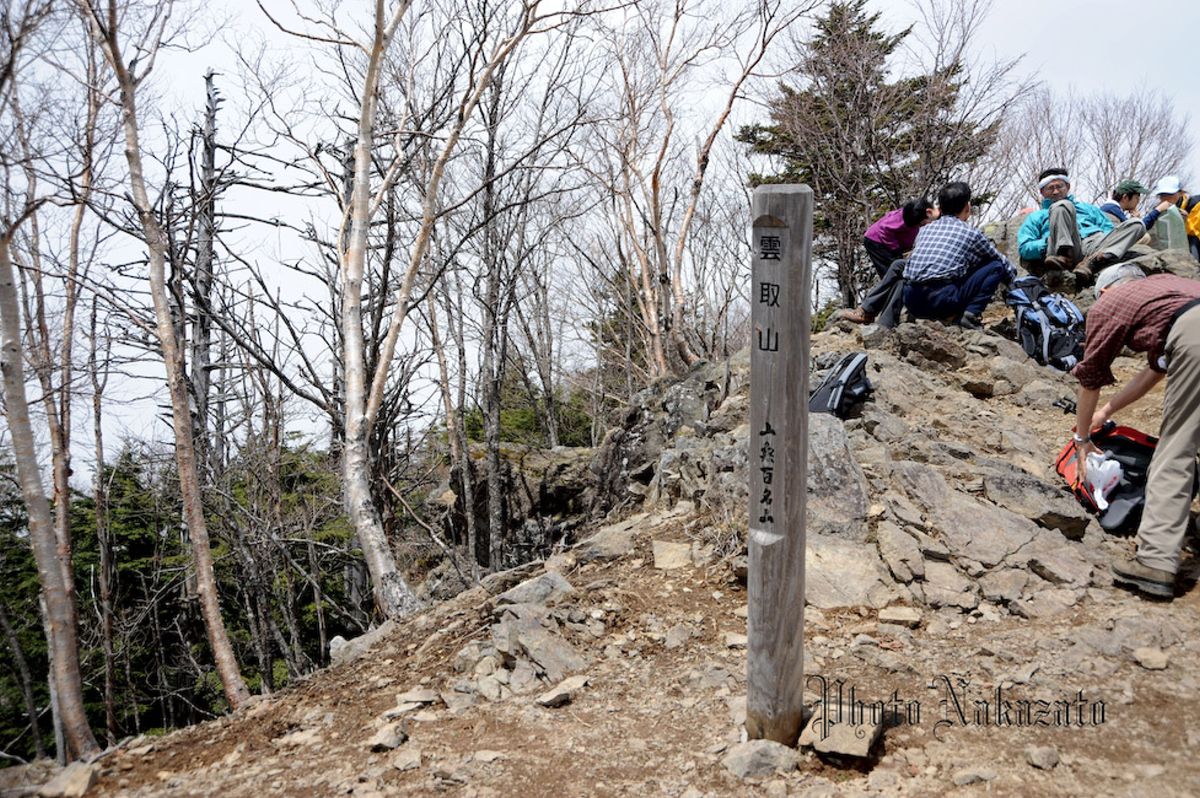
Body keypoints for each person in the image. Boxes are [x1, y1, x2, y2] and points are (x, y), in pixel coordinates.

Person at [1071, 264, 1200, 599]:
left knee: (1175, 451)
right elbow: (1156, 370)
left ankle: (1156, 561)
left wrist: (1082, 439)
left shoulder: (1108, 303)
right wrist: (1108, 411)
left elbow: (1090, 377)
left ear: (1105, 290)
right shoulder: (1165, 291)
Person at [901, 181, 1015, 329]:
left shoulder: (925, 230)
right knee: (996, 266)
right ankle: (970, 315)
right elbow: (1000, 261)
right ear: (967, 207)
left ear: (940, 208)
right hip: (941, 300)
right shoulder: (970, 233)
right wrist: (1015, 282)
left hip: (911, 300)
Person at [1017, 167, 1146, 286]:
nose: (1055, 191)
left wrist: (1111, 241)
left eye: (1059, 186)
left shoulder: (1088, 208)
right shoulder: (1036, 217)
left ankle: (1093, 261)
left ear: (1067, 187)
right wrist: (1048, 242)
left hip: (1094, 246)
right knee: (1062, 206)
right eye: (1050, 188)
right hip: (1065, 249)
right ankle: (1063, 254)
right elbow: (1024, 248)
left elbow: (1109, 230)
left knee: (1137, 224)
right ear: (1042, 192)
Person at [834, 199, 937, 325]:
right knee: (893, 278)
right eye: (920, 224)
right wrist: (896, 250)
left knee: (897, 278)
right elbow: (884, 230)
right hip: (878, 243)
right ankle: (869, 312)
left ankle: (879, 317)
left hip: (890, 246)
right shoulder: (903, 218)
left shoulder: (919, 214)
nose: (922, 225)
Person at [1140, 175, 1193, 255]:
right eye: (1163, 195)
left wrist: (1188, 218)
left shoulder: (1191, 205)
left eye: (1170, 194)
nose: (1166, 198)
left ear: (1180, 193)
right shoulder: (1157, 211)